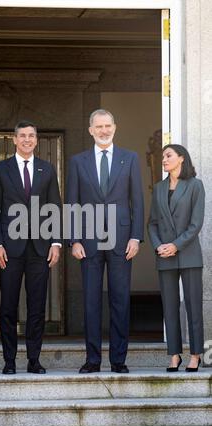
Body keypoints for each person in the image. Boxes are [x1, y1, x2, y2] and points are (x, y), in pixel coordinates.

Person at [67, 109, 144, 373]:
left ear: (115, 127)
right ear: (90, 130)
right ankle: (92, 360)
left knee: (120, 300)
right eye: (98, 126)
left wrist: (136, 236)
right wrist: (73, 239)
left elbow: (138, 201)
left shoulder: (130, 158)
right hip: (88, 241)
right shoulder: (78, 161)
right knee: (90, 301)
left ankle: (118, 360)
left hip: (122, 240)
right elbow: (72, 203)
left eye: (107, 125)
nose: (103, 130)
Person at [0, 120, 61, 375]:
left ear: (36, 140)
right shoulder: (0, 169)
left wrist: (56, 242)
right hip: (9, 248)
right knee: (8, 306)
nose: (27, 140)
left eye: (32, 135)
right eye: (23, 136)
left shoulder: (47, 169)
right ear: (14, 140)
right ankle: (9, 361)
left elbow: (55, 209)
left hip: (40, 248)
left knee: (37, 306)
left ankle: (34, 360)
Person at [148, 144, 205, 372]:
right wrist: (158, 246)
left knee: (193, 307)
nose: (164, 159)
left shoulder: (195, 186)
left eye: (168, 155)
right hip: (165, 256)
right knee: (169, 308)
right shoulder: (159, 188)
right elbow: (152, 223)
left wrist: (175, 245)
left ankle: (195, 354)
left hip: (189, 255)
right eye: (163, 156)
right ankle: (174, 355)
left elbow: (196, 224)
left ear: (181, 159)